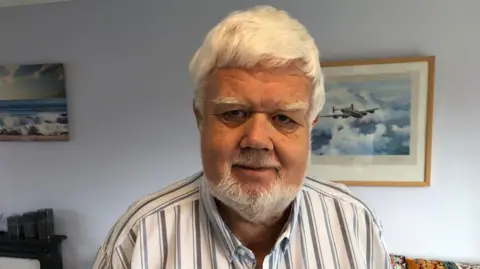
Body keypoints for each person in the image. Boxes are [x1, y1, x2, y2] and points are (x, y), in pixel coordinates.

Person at [93, 5, 392, 269]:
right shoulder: (139, 238)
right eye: (234, 113)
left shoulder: (355, 225)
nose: (258, 139)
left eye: (284, 118)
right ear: (201, 120)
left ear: (310, 127)